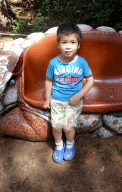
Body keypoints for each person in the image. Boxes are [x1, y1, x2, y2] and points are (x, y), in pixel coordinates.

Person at [43, 23, 94, 163]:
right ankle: (59, 145)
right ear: (58, 44)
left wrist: (79, 95)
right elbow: (48, 81)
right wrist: (47, 99)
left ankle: (70, 144)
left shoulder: (81, 62)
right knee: (57, 127)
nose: (68, 46)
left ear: (78, 45)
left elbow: (90, 81)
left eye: (72, 42)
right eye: (64, 42)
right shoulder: (53, 63)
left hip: (74, 101)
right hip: (57, 100)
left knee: (67, 127)